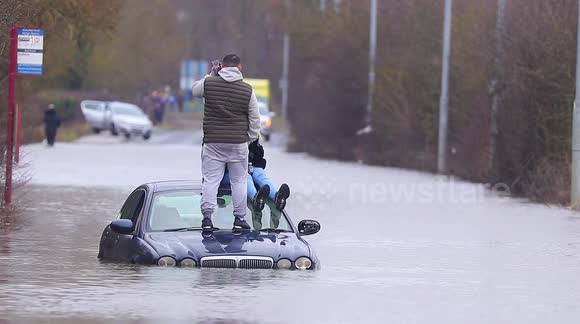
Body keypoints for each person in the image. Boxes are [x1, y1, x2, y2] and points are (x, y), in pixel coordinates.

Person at [191, 54, 261, 231]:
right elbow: (255, 119)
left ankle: (207, 219)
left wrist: (210, 75)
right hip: (238, 143)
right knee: (239, 181)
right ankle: (239, 219)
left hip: (213, 142)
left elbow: (194, 91)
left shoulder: (209, 83)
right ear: (240, 67)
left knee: (211, 180)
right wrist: (250, 139)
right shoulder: (247, 90)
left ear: (221, 67)